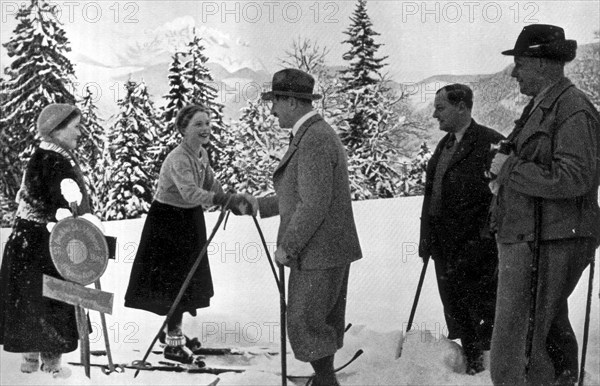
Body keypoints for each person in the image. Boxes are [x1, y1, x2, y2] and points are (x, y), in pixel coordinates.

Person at [489, 24, 600, 385]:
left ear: (542, 63)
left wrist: (512, 169)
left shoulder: (572, 109)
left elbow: (575, 178)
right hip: (533, 235)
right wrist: (503, 179)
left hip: (550, 239)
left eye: (520, 63)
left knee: (519, 338)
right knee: (543, 329)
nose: (514, 72)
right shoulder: (542, 106)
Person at [124, 104, 256, 365]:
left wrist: (230, 199)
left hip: (189, 221)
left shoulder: (201, 154)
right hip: (168, 224)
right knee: (174, 283)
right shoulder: (178, 158)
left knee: (188, 279)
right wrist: (222, 199)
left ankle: (172, 334)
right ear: (183, 129)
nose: (205, 128)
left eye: (207, 123)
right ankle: (173, 343)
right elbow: (190, 192)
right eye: (198, 124)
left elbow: (209, 184)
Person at [257, 68, 362, 386]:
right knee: (316, 320)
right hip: (326, 248)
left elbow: (314, 204)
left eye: (275, 101)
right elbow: (304, 194)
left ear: (290, 101)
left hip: (317, 251)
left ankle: (327, 382)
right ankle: (324, 378)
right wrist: (258, 206)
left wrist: (288, 246)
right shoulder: (313, 134)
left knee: (304, 321)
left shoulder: (314, 138)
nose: (273, 110)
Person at [0, 103, 91, 378]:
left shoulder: (43, 155)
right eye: (75, 127)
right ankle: (51, 372)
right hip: (44, 248)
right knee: (52, 305)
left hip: (27, 245)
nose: (80, 132)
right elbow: (64, 208)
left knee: (32, 306)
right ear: (57, 130)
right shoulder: (56, 161)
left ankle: (30, 367)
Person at [418, 84, 504, 374]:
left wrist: (483, 240)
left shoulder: (490, 143)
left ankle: (485, 372)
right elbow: (433, 194)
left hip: (476, 251)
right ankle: (469, 367)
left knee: (481, 314)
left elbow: (502, 196)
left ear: (462, 107)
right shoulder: (446, 144)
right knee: (457, 311)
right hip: (444, 247)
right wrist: (426, 239)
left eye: (440, 108)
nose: (434, 114)